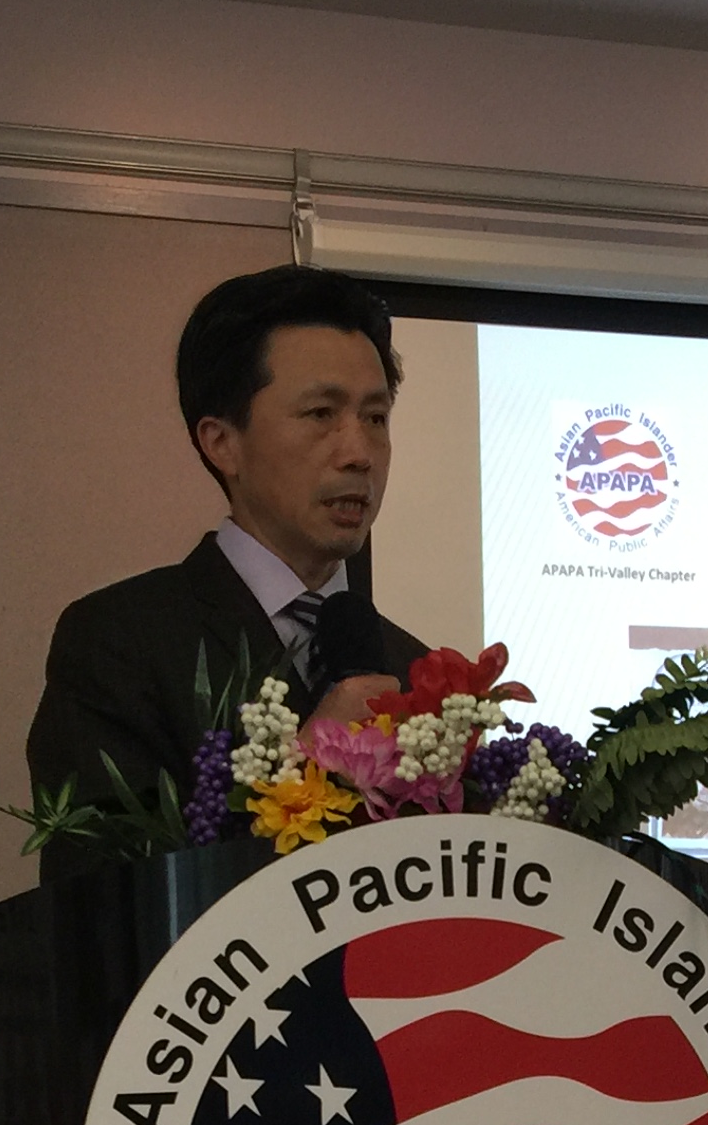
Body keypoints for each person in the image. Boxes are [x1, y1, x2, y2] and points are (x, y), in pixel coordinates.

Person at [25, 266, 430, 881]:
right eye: (321, 413)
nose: (359, 454)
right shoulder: (120, 644)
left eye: (376, 418)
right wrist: (311, 763)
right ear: (222, 443)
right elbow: (104, 894)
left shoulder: (415, 669)